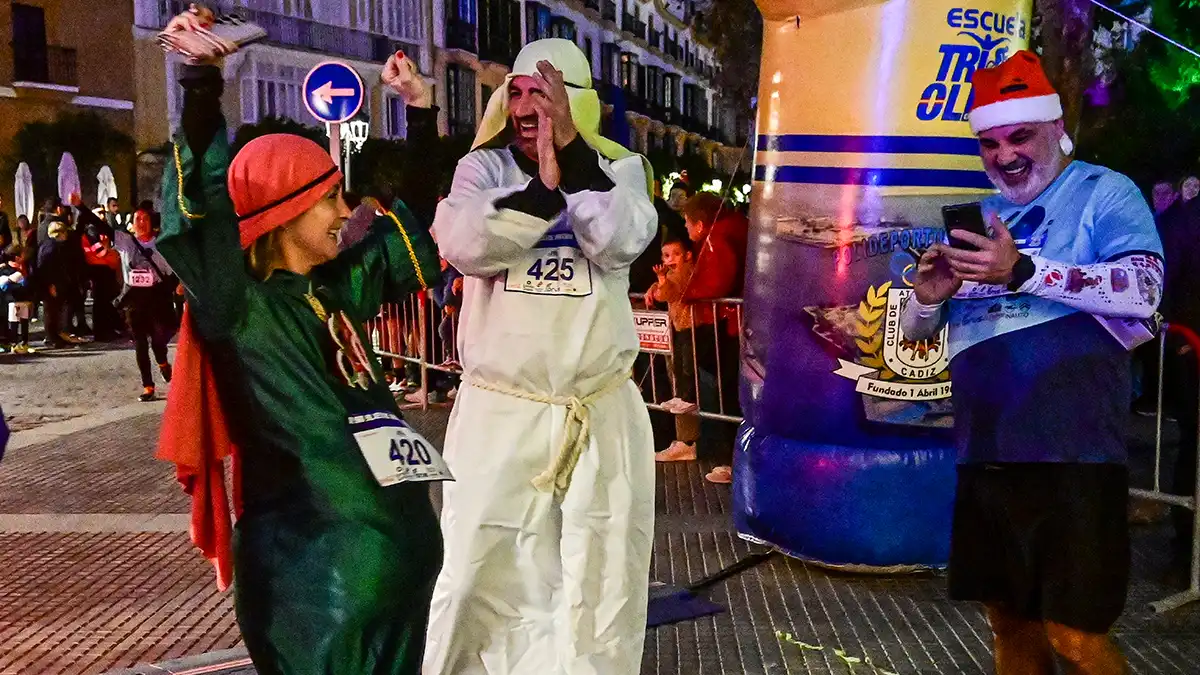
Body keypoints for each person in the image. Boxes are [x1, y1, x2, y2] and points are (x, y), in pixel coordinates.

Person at [154, 6, 444, 675]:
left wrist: (422, 113)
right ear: (284, 209)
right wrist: (202, 78)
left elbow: (416, 222)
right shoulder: (238, 302)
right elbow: (197, 212)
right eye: (330, 198)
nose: (347, 212)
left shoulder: (338, 286)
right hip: (315, 582)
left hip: (392, 570)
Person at [900, 51, 1163, 675]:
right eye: (990, 142)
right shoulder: (988, 222)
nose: (1005, 154)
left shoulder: (1103, 191)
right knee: (1008, 625)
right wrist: (926, 302)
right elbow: (921, 340)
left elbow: (1145, 292)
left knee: (1076, 635)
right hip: (986, 453)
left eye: (1020, 136)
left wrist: (1021, 270)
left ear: (1055, 126)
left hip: (1072, 456)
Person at [425, 38, 658, 675]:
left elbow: (621, 237)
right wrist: (540, 196)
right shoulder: (480, 170)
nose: (529, 105)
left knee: (599, 581)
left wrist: (573, 169)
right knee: (477, 569)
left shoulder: (622, 169)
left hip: (598, 414)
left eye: (545, 92)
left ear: (573, 104)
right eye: (520, 91)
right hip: (500, 416)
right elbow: (467, 241)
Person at [113, 209, 179, 401]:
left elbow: (173, 270)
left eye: (145, 219)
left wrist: (177, 286)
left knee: (159, 339)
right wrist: (80, 206)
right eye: (137, 219)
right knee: (140, 344)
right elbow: (101, 228)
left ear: (152, 222)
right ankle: (148, 386)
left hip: (157, 298)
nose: (140, 222)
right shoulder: (126, 243)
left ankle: (162, 362)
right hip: (134, 300)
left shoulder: (161, 244)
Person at [646, 237, 701, 458]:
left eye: (675, 254)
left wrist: (660, 282)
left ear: (687, 255)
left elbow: (669, 293)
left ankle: (685, 397)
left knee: (686, 365)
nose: (670, 260)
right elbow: (661, 291)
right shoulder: (671, 274)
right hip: (678, 324)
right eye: (666, 256)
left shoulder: (686, 271)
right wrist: (654, 287)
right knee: (678, 363)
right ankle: (683, 397)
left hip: (689, 325)